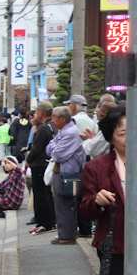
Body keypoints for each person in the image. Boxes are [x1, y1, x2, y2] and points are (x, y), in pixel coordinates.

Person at [78, 104, 126, 275]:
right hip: (115, 247)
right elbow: (83, 210)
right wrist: (96, 200)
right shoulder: (97, 168)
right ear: (110, 136)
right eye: (122, 133)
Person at [47, 105, 87, 245]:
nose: (52, 120)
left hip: (71, 173)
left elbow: (57, 155)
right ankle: (64, 234)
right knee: (61, 203)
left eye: (54, 117)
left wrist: (54, 148)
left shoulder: (70, 132)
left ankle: (68, 236)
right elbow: (50, 148)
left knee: (68, 203)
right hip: (63, 172)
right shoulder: (63, 130)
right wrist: (54, 148)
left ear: (62, 119)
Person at [26, 102, 56, 234]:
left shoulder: (43, 128)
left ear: (42, 113)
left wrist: (28, 159)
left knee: (41, 195)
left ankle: (44, 223)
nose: (34, 115)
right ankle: (47, 222)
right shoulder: (50, 126)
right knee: (45, 194)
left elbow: (36, 149)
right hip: (45, 164)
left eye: (37, 112)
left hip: (40, 165)